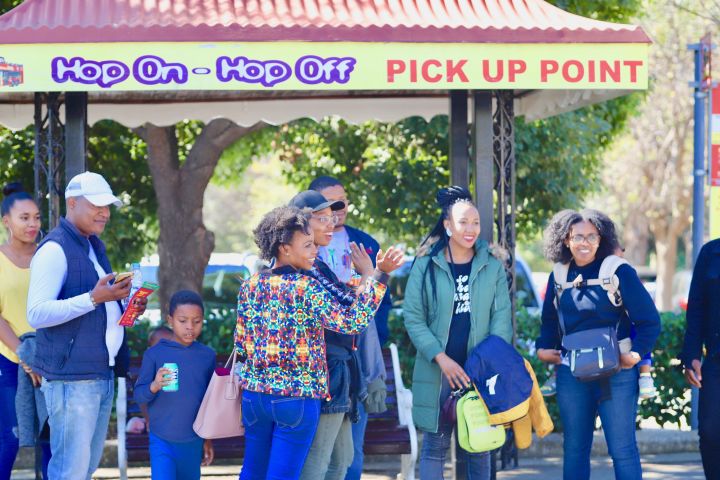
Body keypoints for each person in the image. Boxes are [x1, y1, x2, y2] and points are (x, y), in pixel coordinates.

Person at [236, 206, 399, 480]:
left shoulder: (250, 286)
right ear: (284, 248)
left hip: (254, 397)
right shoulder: (306, 287)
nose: (315, 250)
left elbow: (241, 343)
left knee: (252, 471)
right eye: (308, 245)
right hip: (296, 398)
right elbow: (352, 322)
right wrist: (378, 276)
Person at [27, 171, 147, 480]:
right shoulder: (54, 249)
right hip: (72, 380)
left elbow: (97, 306)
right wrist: (94, 298)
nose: (105, 212)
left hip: (98, 374)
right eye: (96, 205)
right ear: (72, 203)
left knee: (84, 470)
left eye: (107, 206)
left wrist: (127, 306)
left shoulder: (92, 245)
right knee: (71, 472)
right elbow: (36, 313)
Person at [535, 209, 660, 480]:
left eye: (592, 236)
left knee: (623, 450)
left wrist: (635, 355)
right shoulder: (559, 274)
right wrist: (543, 348)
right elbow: (549, 321)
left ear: (601, 239)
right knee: (574, 450)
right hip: (572, 373)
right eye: (578, 237)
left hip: (618, 373)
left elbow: (650, 320)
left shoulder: (618, 271)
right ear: (566, 239)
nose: (585, 242)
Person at [403, 186, 512, 480]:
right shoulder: (426, 264)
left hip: (479, 371)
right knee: (435, 447)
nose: (471, 229)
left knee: (480, 446)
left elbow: (501, 319)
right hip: (438, 371)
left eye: (475, 222)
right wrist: (441, 358)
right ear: (448, 225)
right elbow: (413, 317)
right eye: (463, 222)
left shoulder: (492, 265)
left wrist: (484, 363)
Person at [290, 191, 397, 480]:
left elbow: (350, 306)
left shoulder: (317, 265)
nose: (331, 223)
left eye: (332, 217)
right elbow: (351, 319)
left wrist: (371, 277)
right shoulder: (302, 271)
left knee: (342, 459)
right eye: (322, 218)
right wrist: (374, 275)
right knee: (319, 459)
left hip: (340, 374)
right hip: (324, 375)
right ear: (300, 224)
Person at [134, 290, 215, 480]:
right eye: (183, 321)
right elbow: (139, 395)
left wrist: (207, 439)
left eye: (196, 321)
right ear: (170, 320)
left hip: (193, 441)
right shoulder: (154, 354)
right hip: (161, 439)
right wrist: (154, 385)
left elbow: (210, 402)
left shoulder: (207, 356)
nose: (190, 327)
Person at [0, 182, 46, 479]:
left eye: (37, 217)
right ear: (7, 221)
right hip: (8, 360)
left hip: (49, 360)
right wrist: (24, 354)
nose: (33, 224)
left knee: (50, 437)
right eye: (24, 218)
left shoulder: (49, 256)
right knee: (10, 438)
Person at [681, 238, 720, 478]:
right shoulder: (710, 252)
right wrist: (692, 354)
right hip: (716, 358)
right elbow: (696, 307)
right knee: (709, 431)